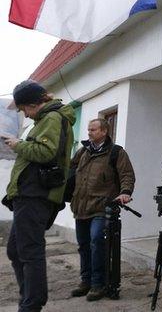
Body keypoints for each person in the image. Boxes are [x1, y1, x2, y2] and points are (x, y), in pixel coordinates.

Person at [2, 80, 75, 312]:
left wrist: (18, 145)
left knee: (30, 251)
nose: (23, 112)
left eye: (23, 108)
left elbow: (45, 152)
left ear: (33, 104)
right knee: (15, 249)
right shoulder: (46, 118)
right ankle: (29, 299)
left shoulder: (52, 118)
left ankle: (32, 304)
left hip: (35, 195)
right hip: (29, 194)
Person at [69, 118, 135, 301]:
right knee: (83, 245)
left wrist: (125, 192)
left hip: (101, 206)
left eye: (93, 129)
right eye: (88, 129)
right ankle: (86, 281)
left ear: (104, 131)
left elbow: (127, 174)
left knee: (97, 241)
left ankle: (99, 284)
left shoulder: (116, 152)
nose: (89, 132)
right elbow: (69, 171)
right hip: (81, 205)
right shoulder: (83, 151)